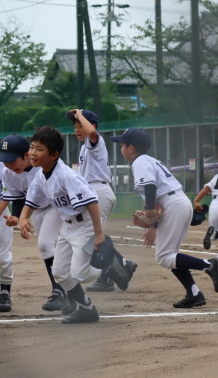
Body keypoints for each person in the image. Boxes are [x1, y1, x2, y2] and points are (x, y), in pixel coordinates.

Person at [19, 126, 132, 324]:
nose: (32, 153)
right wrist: (22, 218)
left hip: (85, 225)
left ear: (54, 155)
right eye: (32, 147)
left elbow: (92, 201)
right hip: (68, 226)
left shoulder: (66, 175)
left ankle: (107, 262)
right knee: (60, 273)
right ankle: (87, 308)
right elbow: (31, 200)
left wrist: (99, 234)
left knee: (81, 273)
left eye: (39, 149)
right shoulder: (41, 175)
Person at [110, 127, 218, 308]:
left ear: (131, 148)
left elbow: (150, 188)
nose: (121, 148)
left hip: (173, 205)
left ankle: (209, 265)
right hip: (179, 202)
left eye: (122, 145)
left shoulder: (139, 162)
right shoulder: (150, 160)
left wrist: (149, 214)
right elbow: (154, 194)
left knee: (164, 257)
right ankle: (194, 293)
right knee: (172, 256)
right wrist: (152, 227)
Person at [66, 109, 137, 292]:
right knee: (91, 236)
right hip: (94, 192)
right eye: (74, 126)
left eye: (80, 124)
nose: (77, 129)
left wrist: (81, 114)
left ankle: (107, 277)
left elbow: (91, 133)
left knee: (92, 238)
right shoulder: (85, 148)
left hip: (98, 192)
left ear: (92, 125)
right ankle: (123, 263)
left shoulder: (95, 141)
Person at [0, 134, 72, 313]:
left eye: (12, 160)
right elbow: (16, 197)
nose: (8, 165)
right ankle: (61, 290)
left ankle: (60, 291)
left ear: (26, 155)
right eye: (4, 161)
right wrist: (16, 217)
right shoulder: (7, 172)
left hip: (56, 206)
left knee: (46, 244)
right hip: (36, 210)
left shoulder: (42, 167)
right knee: (46, 248)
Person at [0, 161, 13, 312]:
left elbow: (7, 195)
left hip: (1, 213)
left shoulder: (4, 165)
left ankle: (5, 292)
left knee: (3, 256)